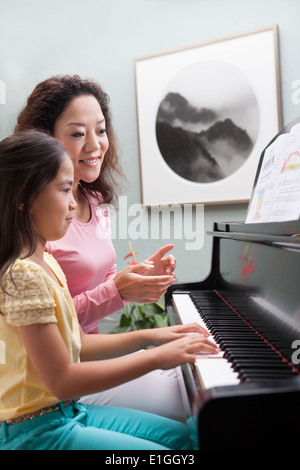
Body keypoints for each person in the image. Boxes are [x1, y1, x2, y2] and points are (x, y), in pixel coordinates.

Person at [0, 131, 218, 450]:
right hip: (33, 433)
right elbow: (62, 380)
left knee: (186, 438)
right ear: (24, 198)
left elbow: (79, 344)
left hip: (68, 412)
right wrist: (157, 358)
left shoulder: (46, 261)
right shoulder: (22, 275)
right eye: (64, 190)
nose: (75, 204)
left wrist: (152, 337)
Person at [14, 75, 198, 422]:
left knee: (186, 383)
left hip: (92, 354)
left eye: (100, 130)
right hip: (59, 375)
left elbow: (102, 280)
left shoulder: (94, 198)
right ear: (45, 140)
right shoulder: (38, 220)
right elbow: (50, 318)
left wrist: (136, 280)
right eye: (77, 133)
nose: (95, 144)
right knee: (186, 401)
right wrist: (116, 293)